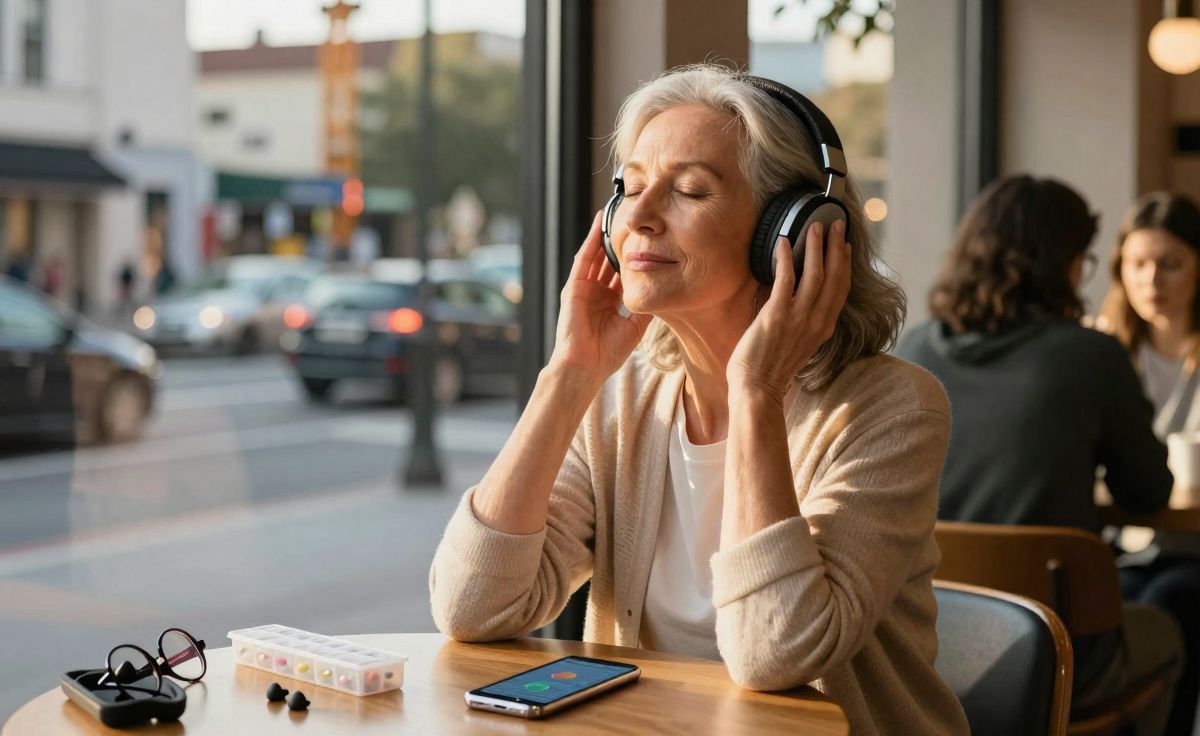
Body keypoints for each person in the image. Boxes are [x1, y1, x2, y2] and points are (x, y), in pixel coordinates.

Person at [429, 65, 968, 735]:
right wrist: (568, 374)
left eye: (688, 190)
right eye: (629, 188)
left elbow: (774, 651)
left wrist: (756, 392)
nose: (638, 217)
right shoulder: (623, 396)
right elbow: (473, 607)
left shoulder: (891, 409)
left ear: (791, 232)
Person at [895, 175, 1183, 734]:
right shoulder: (1091, 355)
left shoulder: (915, 348)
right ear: (1064, 265)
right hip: (1058, 649)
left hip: (923, 646)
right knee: (1172, 623)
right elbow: (1148, 491)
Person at [1100, 191, 1200, 736]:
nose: (1152, 279)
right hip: (1125, 544)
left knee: (1170, 599)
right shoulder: (1104, 351)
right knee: (1117, 598)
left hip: (1193, 548)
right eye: (1137, 263)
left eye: (1171, 263)